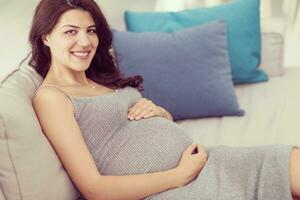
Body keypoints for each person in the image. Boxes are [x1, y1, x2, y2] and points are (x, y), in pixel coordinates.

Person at [30, 0, 300, 199]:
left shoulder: (99, 76)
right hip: (172, 189)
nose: (85, 41)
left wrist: (160, 112)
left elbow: (158, 124)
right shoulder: (52, 97)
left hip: (210, 163)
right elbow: (94, 189)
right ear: (46, 37)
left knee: (291, 160)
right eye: (70, 31)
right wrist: (180, 175)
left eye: (91, 30)